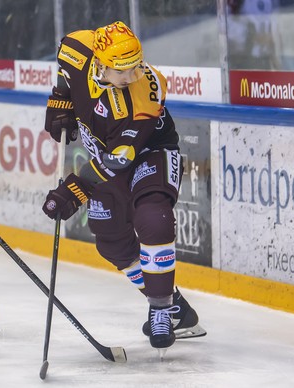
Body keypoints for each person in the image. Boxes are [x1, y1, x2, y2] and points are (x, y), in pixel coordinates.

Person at [42, 21, 205, 352]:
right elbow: (65, 68)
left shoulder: (146, 90)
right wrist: (61, 100)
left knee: (153, 219)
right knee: (112, 243)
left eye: (137, 66)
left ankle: (160, 311)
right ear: (100, 64)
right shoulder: (76, 47)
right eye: (123, 70)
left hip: (151, 154)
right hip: (104, 152)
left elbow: (119, 159)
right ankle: (177, 308)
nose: (132, 76)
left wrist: (72, 191)